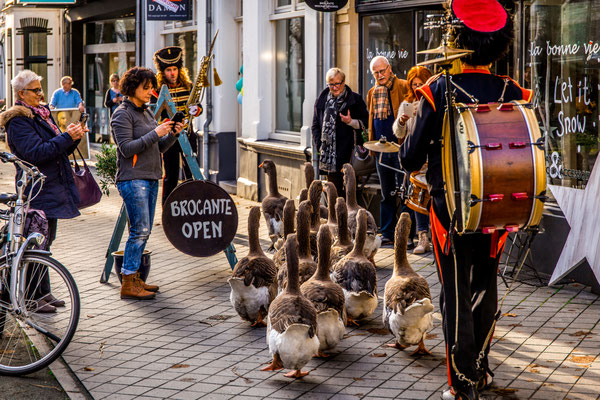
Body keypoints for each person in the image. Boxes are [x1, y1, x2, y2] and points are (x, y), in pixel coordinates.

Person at [400, 1, 532, 399]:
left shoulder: (440, 89)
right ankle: (482, 367)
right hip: (500, 204)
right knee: (484, 284)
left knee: (455, 291)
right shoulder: (510, 89)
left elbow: (409, 157)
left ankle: (463, 382)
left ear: (457, 39)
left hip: (450, 209)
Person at [0, 69, 87, 313]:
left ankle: (43, 292)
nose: (41, 94)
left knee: (46, 241)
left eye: (41, 89)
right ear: (21, 94)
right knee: (34, 244)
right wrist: (66, 138)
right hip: (37, 190)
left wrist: (73, 138)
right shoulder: (18, 120)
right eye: (36, 90)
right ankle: (31, 297)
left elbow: (57, 151)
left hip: (50, 188)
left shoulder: (40, 115)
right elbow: (37, 153)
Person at [111, 66, 183, 300]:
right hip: (133, 179)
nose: (150, 90)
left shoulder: (147, 112)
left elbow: (157, 148)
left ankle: (135, 279)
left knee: (144, 231)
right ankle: (128, 281)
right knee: (139, 231)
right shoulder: (122, 114)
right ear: (132, 88)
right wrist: (156, 132)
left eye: (152, 86)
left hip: (150, 177)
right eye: (146, 87)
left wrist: (172, 134)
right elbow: (126, 148)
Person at [366, 56, 409, 247]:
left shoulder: (403, 85)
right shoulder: (372, 92)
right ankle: (387, 232)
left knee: (405, 194)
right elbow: (371, 122)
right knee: (386, 193)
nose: (380, 75)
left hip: (400, 148)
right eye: (376, 72)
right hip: (381, 149)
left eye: (382, 71)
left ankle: (407, 234)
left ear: (390, 68)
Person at [393, 65, 433, 254]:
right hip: (414, 156)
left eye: (421, 84)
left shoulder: (433, 102)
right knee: (418, 197)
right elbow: (399, 132)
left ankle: (437, 236)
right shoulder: (407, 103)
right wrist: (401, 121)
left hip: (431, 156)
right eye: (414, 84)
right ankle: (422, 237)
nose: (417, 87)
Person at [311, 67, 369, 197]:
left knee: (350, 193)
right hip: (329, 157)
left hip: (349, 154)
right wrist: (320, 146)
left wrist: (351, 122)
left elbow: (366, 122)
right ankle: (335, 217)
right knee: (333, 193)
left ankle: (350, 217)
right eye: (331, 84)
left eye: (337, 83)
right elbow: (315, 126)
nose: (335, 87)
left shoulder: (355, 100)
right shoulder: (321, 101)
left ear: (343, 82)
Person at [151, 46, 196, 205]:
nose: (172, 73)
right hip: (169, 138)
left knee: (191, 172)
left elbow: (197, 107)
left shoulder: (189, 86)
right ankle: (168, 208)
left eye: (175, 69)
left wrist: (196, 109)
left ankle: (193, 205)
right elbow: (153, 115)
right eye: (168, 70)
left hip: (188, 134)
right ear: (163, 72)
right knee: (171, 174)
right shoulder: (156, 90)